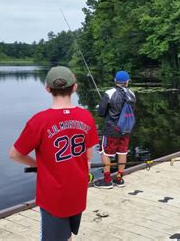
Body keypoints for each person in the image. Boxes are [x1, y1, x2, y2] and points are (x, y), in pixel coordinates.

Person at [9, 66, 99, 240]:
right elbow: (88, 156)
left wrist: (37, 164)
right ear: (75, 87)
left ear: (48, 89)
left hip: (53, 195)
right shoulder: (86, 116)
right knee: (67, 235)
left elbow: (14, 154)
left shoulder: (39, 121)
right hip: (78, 192)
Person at [94, 70, 136, 189]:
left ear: (115, 81)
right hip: (126, 129)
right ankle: (119, 178)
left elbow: (101, 113)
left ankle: (107, 181)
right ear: (127, 82)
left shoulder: (109, 93)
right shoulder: (132, 94)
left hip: (112, 130)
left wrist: (101, 108)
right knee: (122, 152)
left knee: (106, 153)